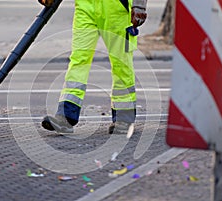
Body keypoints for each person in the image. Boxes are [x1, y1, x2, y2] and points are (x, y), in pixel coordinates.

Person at [39, 0, 147, 134]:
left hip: (118, 8)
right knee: (79, 58)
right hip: (86, 5)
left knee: (121, 64)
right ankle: (66, 116)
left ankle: (124, 118)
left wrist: (139, 5)